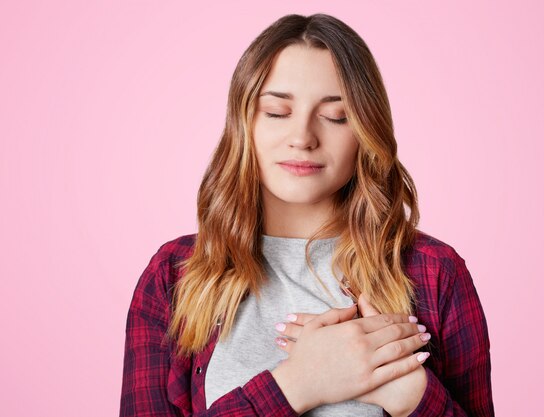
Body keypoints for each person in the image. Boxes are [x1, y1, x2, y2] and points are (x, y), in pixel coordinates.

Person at [119, 13, 494, 417]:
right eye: (277, 112)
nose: (302, 137)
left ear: (367, 131)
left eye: (336, 116)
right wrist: (298, 384)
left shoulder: (435, 273)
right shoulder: (175, 276)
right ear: (243, 124)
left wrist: (414, 398)